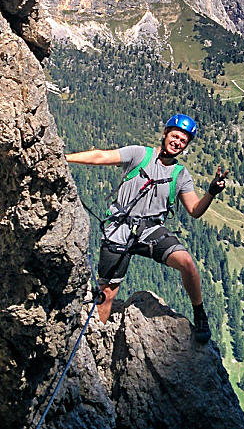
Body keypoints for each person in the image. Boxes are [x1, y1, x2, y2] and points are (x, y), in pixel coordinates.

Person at [65, 114, 227, 344]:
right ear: (165, 134)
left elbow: (194, 209)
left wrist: (211, 192)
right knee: (108, 292)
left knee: (187, 263)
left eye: (183, 140)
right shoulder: (139, 154)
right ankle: (97, 337)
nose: (178, 142)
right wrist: (65, 159)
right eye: (175, 136)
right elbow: (101, 155)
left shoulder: (180, 175)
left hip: (151, 230)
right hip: (120, 226)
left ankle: (200, 314)